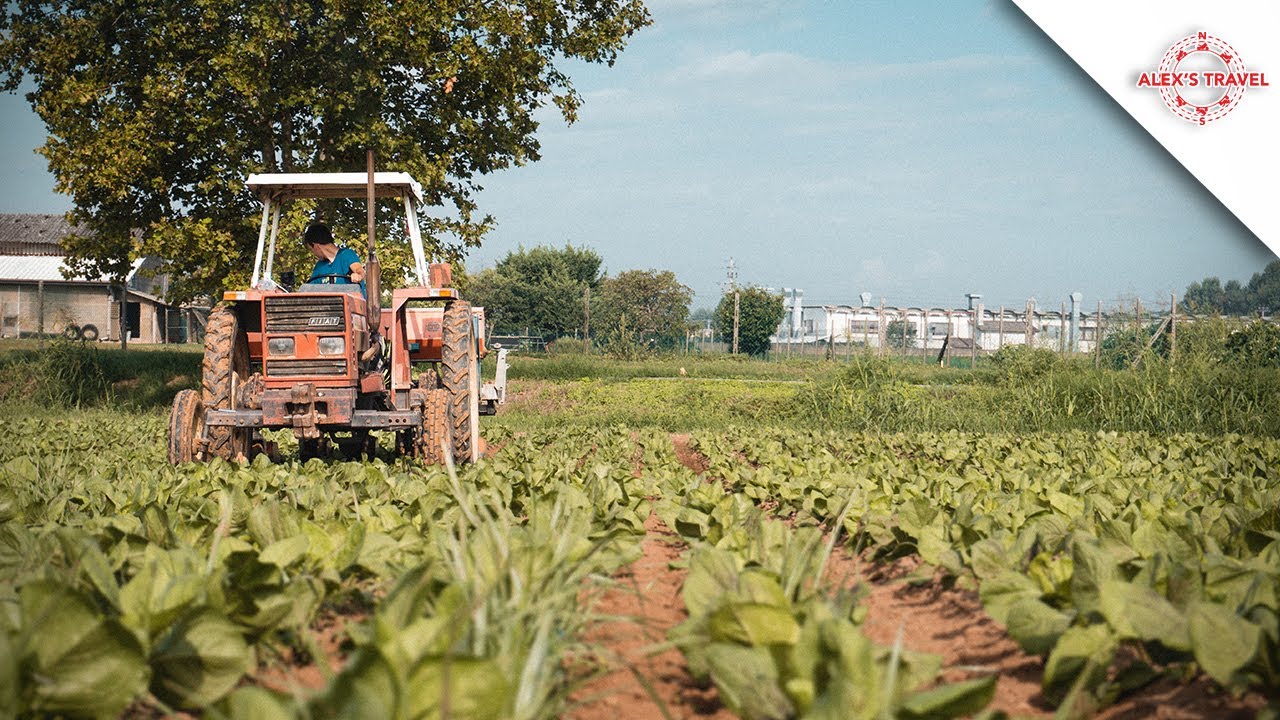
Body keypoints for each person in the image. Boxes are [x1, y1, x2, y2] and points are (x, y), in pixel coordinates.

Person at [303, 222, 365, 294]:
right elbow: (309, 290)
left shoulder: (346, 254)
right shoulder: (319, 267)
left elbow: (359, 269)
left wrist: (357, 275)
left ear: (316, 246)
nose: (313, 254)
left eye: (311, 250)